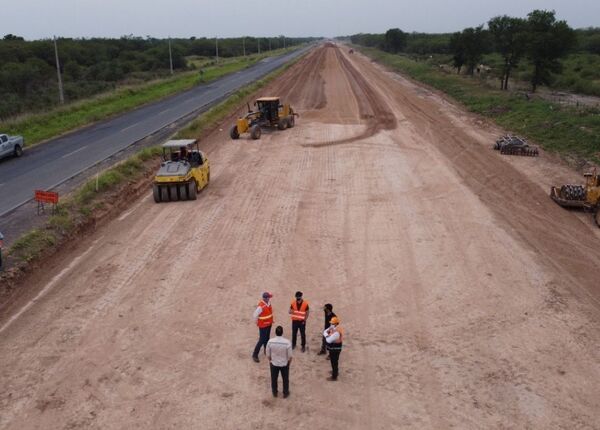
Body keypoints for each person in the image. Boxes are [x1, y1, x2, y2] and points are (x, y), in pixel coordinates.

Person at [266, 325, 292, 398]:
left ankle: (275, 392)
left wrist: (271, 360)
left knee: (274, 379)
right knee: (285, 379)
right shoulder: (287, 342)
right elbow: (290, 356)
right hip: (284, 364)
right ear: (282, 333)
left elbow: (268, 354)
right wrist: (288, 363)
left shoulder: (270, 341)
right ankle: (285, 393)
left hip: (274, 363)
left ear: (275, 333)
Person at [252, 292, 273, 363]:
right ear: (265, 298)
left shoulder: (268, 303)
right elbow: (255, 315)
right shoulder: (260, 306)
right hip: (263, 325)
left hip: (269, 324)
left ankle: (265, 350)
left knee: (267, 338)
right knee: (261, 340)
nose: (269, 298)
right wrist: (257, 322)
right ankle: (255, 354)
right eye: (268, 297)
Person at [323, 316, 343, 381]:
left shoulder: (336, 332)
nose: (331, 324)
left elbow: (328, 340)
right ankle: (335, 372)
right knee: (335, 361)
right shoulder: (335, 328)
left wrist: (327, 335)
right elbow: (325, 331)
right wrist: (327, 334)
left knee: (334, 361)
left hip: (335, 349)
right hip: (335, 348)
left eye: (332, 323)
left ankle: (334, 376)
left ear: (336, 324)